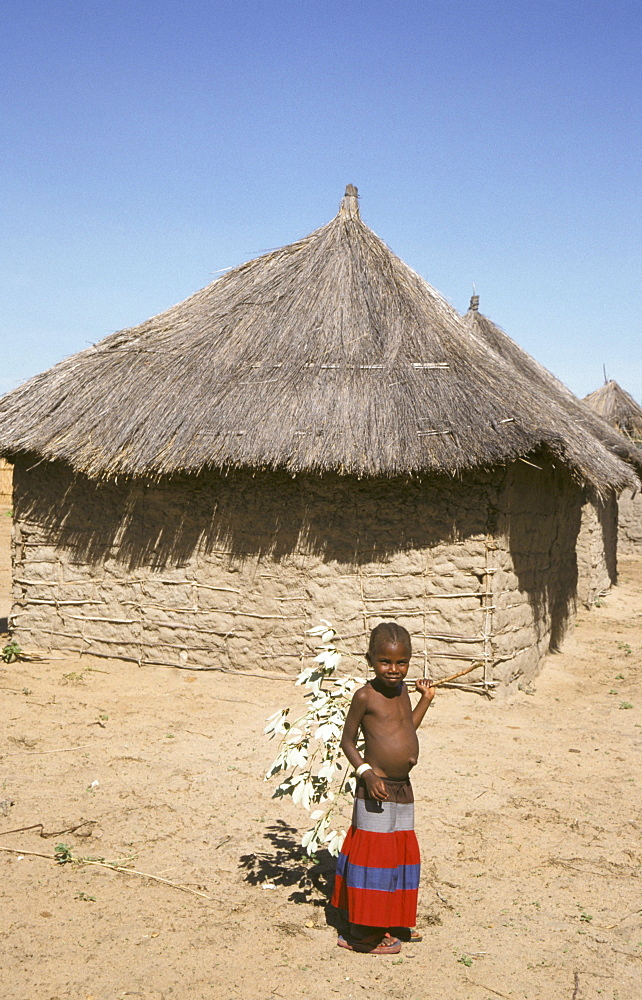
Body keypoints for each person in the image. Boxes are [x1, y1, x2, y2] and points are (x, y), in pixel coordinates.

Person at [331, 621, 435, 954]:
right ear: (371, 659)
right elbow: (348, 741)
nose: (393, 670)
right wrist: (366, 773)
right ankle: (362, 934)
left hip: (402, 789)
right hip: (375, 789)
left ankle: (388, 920)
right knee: (372, 858)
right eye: (385, 662)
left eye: (401, 662)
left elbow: (406, 726)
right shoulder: (365, 696)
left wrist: (426, 699)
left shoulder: (404, 691)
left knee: (395, 856)